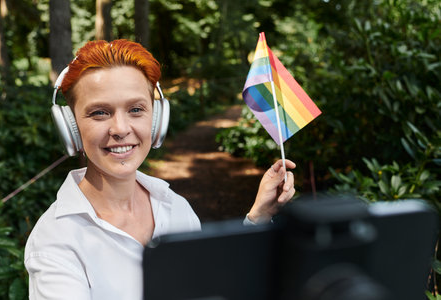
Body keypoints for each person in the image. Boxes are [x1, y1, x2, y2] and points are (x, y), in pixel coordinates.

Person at [24, 39, 296, 300]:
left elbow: (209, 285)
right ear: (70, 128)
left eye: (136, 109)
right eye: (99, 113)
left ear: (157, 120)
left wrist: (258, 217)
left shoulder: (175, 208)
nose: (120, 129)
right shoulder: (55, 241)